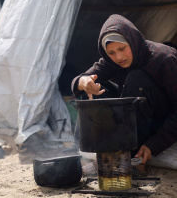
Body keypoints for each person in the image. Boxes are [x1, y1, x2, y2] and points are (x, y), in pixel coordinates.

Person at [71, 14, 177, 165]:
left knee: (136, 78)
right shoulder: (111, 62)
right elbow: (81, 78)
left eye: (122, 48)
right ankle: (100, 148)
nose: (119, 57)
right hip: (133, 123)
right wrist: (83, 82)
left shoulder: (164, 59)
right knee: (96, 85)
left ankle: (128, 153)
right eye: (111, 53)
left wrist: (154, 144)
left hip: (160, 124)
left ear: (132, 42)